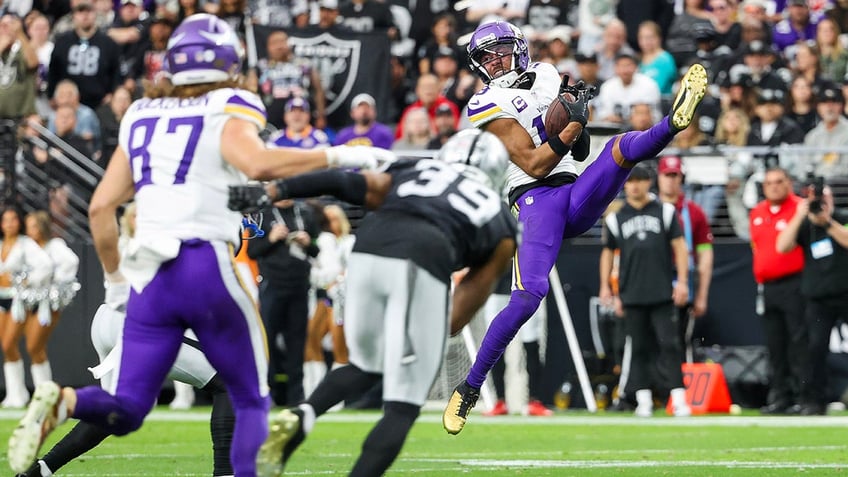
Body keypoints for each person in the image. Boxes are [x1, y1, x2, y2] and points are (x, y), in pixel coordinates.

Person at [5, 13, 393, 476]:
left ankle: (65, 401)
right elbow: (259, 162)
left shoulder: (141, 113)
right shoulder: (229, 103)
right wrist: (341, 154)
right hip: (203, 264)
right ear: (226, 62)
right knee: (249, 393)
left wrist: (113, 285)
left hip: (148, 279)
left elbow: (99, 209)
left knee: (127, 407)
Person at [442, 20, 708, 435]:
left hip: (573, 191)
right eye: (486, 56)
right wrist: (567, 126)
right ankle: (470, 387)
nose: (494, 61)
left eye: (500, 50)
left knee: (620, 148)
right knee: (529, 296)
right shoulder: (484, 102)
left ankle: (673, 123)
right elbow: (533, 162)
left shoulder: (547, 74)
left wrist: (576, 115)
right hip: (534, 200)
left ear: (519, 48)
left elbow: (580, 148)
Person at [227, 128, 518, 477]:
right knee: (403, 405)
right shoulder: (501, 221)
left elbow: (342, 183)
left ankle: (303, 412)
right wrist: (430, 333)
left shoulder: (414, 170)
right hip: (423, 256)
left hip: (368, 249)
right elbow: (458, 314)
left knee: (365, 365)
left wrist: (276, 190)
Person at [599, 165, 692, 417]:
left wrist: (682, 281)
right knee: (637, 347)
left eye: (640, 180)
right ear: (624, 185)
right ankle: (643, 400)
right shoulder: (616, 218)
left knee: (670, 345)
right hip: (631, 293)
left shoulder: (665, 211)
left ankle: (678, 398)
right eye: (630, 181)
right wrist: (606, 287)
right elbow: (608, 253)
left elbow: (680, 247)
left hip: (662, 291)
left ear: (649, 182)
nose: (635, 185)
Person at [776, 178, 848, 416]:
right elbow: (782, 246)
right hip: (818, 299)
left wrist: (827, 222)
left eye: (824, 198)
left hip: (845, 293)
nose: (821, 203)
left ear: (832, 199)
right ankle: (814, 401)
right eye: (817, 200)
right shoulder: (805, 224)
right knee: (814, 349)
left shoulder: (842, 217)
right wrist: (800, 214)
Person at [749, 167, 808, 415]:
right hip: (768, 286)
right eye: (769, 183)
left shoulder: (800, 207)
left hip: (795, 283)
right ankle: (780, 397)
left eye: (779, 181)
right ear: (763, 187)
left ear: (789, 183)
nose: (774, 186)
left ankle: (802, 397)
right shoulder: (757, 212)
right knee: (775, 345)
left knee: (798, 343)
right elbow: (757, 247)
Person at [656, 155, 714, 363]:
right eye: (667, 175)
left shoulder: (695, 213)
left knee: (679, 340)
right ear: (659, 177)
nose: (671, 180)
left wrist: (701, 295)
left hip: (682, 283)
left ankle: (681, 390)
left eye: (675, 175)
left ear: (681, 178)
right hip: (652, 281)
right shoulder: (648, 209)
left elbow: (705, 255)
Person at [0, 206, 53, 409]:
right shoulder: (1, 244)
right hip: (1, 298)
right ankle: (15, 394)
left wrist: (25, 282)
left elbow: (45, 265)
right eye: (5, 220)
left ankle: (31, 393)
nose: (9, 224)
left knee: (10, 344)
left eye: (13, 219)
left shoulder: (25, 244)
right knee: (7, 348)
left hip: (18, 300)